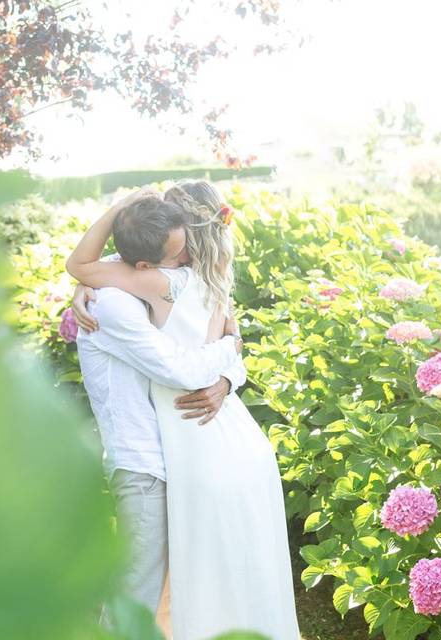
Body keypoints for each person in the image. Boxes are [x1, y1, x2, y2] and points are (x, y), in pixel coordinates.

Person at [67, 182, 300, 639]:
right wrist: (230, 353)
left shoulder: (158, 280)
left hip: (190, 451)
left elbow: (88, 266)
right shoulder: (123, 295)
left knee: (178, 588)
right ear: (148, 257)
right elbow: (181, 365)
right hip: (168, 456)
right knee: (155, 590)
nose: (181, 256)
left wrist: (227, 376)